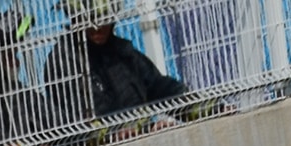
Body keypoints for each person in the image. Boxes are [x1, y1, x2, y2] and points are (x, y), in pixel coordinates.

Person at [46, 0, 188, 121]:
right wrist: (124, 129)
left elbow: (157, 86)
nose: (98, 28)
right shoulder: (64, 59)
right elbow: (80, 114)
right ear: (75, 20)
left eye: (103, 19)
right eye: (89, 21)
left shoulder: (122, 52)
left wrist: (189, 104)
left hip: (140, 140)